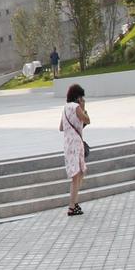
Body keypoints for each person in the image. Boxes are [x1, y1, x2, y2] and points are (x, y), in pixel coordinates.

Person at [61, 84, 90, 217]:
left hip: (68, 145)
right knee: (77, 175)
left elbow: (61, 127)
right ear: (78, 97)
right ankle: (72, 206)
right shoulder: (77, 107)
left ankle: (74, 203)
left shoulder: (65, 108)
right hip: (76, 145)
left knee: (79, 173)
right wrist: (83, 109)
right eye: (81, 97)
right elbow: (87, 120)